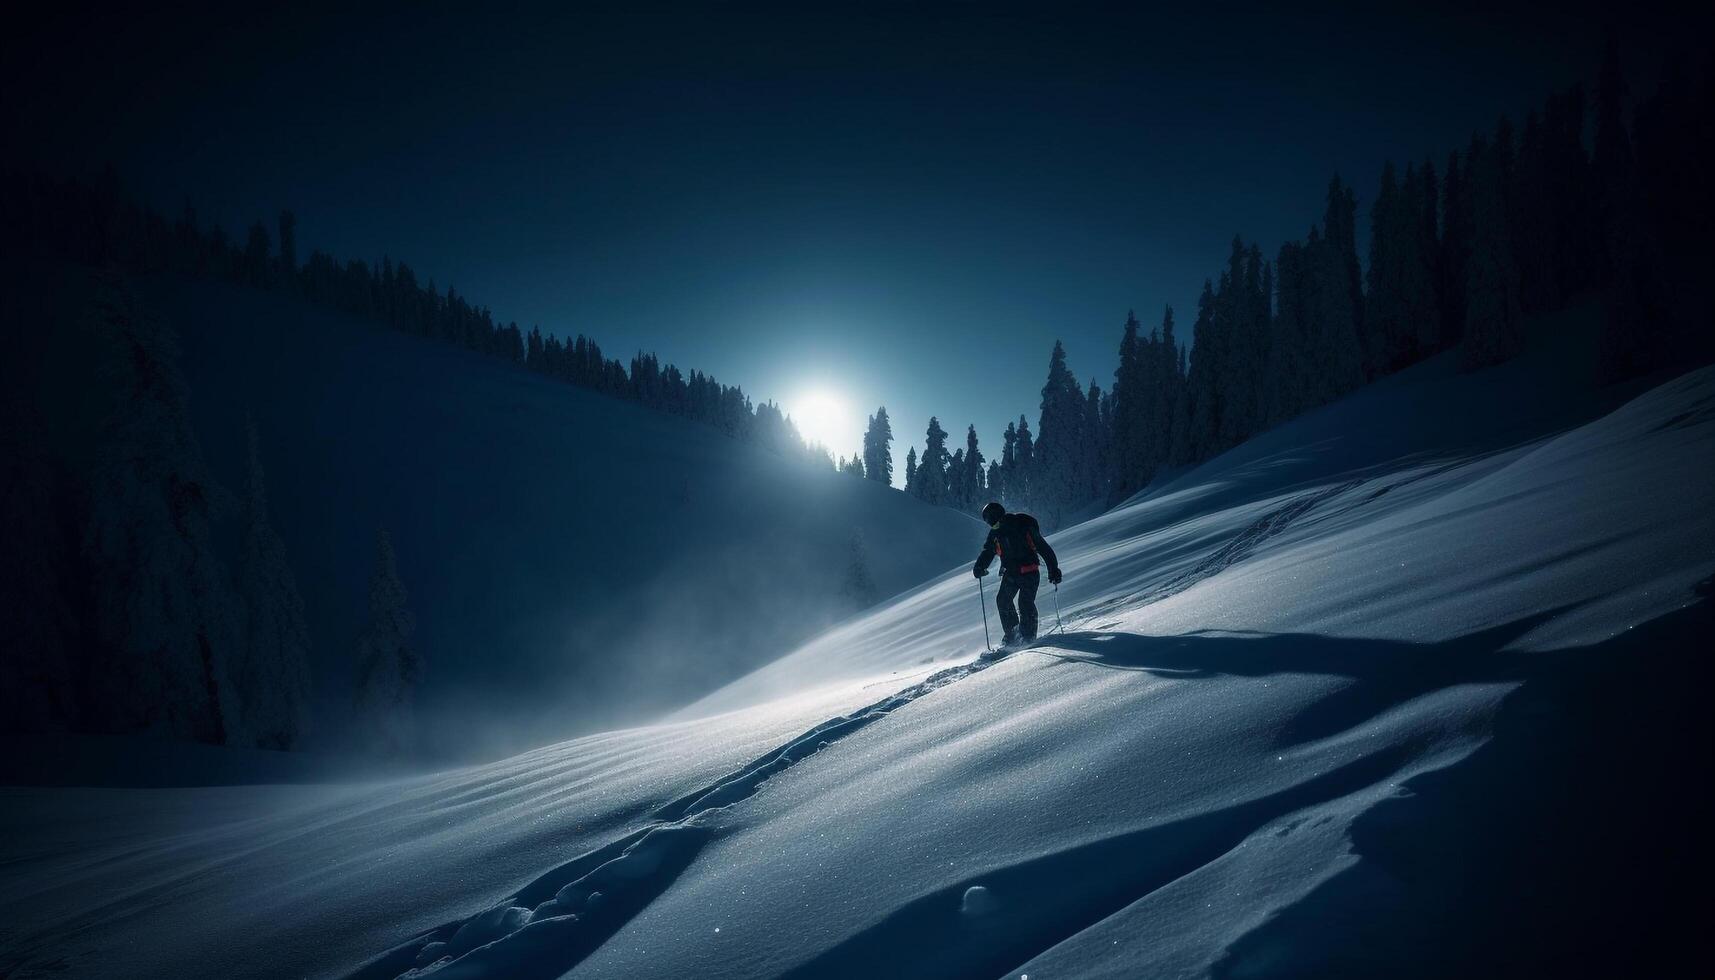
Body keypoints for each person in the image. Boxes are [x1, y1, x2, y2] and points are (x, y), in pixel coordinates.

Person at [972, 501, 1062, 645]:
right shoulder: (996, 532)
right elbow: (988, 551)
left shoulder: (1022, 525)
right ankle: (1013, 635)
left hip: (1029, 571)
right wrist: (979, 566)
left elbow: (1041, 546)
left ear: (997, 516)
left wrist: (1053, 569)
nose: (993, 526)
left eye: (992, 522)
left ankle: (1027, 638)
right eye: (991, 524)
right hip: (1012, 574)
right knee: (1003, 600)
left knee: (1025, 603)